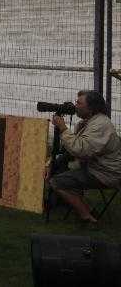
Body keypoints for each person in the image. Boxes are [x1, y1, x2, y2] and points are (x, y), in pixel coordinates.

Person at [49, 90, 121, 224]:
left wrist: (63, 128)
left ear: (91, 107)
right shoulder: (93, 121)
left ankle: (87, 216)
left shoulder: (100, 125)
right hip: (98, 167)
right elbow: (77, 150)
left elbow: (80, 150)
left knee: (56, 182)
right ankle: (87, 208)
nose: (75, 105)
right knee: (61, 167)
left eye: (79, 103)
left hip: (105, 174)